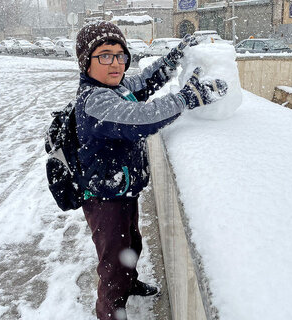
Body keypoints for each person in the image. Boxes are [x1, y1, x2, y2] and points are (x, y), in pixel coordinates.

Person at [74, 21, 228, 320]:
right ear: (86, 61)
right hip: (104, 198)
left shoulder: (115, 88)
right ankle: (110, 311)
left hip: (121, 190)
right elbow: (142, 118)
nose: (116, 63)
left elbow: (144, 82)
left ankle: (129, 284)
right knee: (112, 267)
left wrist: (172, 60)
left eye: (121, 55)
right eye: (105, 55)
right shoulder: (95, 101)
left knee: (132, 243)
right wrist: (187, 98)